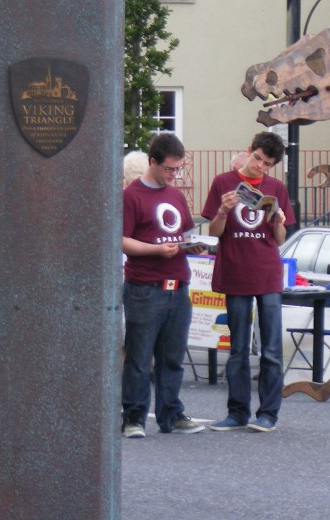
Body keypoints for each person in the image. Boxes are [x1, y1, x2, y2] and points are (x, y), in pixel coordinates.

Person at [202, 131, 293, 433]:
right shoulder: (223, 183)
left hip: (267, 273)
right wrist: (223, 211)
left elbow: (279, 240)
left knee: (271, 349)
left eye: (267, 164)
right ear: (248, 151)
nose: (260, 167)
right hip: (235, 272)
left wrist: (278, 221)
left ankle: (268, 413)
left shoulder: (276, 188)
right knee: (238, 348)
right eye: (257, 159)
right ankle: (237, 412)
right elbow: (215, 232)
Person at [121, 133, 205, 437]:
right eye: (169, 169)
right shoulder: (132, 195)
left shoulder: (175, 195)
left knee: (173, 358)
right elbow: (122, 240)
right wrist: (156, 250)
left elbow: (185, 234)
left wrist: (191, 245)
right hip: (145, 287)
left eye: (178, 170)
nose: (173, 175)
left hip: (178, 286)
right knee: (139, 358)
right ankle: (133, 418)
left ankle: (171, 414)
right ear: (153, 162)